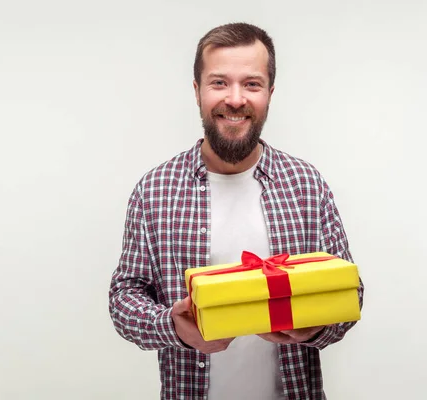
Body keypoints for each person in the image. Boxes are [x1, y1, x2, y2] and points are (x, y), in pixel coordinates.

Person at [108, 22, 364, 400]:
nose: (235, 98)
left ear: (270, 94)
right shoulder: (154, 190)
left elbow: (351, 291)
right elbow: (124, 297)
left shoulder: (306, 184)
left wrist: (316, 328)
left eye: (252, 84)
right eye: (219, 83)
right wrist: (173, 327)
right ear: (197, 92)